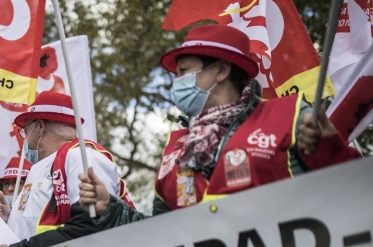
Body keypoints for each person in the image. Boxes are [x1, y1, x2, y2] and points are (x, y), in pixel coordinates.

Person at [78, 24, 361, 225]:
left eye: (184, 72)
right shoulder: (175, 151)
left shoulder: (290, 115)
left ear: (222, 70)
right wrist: (111, 209)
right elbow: (159, 235)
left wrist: (329, 148)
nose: (176, 83)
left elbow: (354, 193)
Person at [0, 92, 134, 247]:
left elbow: (91, 227)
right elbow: (36, 223)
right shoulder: (43, 166)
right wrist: (11, 218)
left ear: (39, 127)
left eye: (25, 131)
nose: (24, 140)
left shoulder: (83, 157)